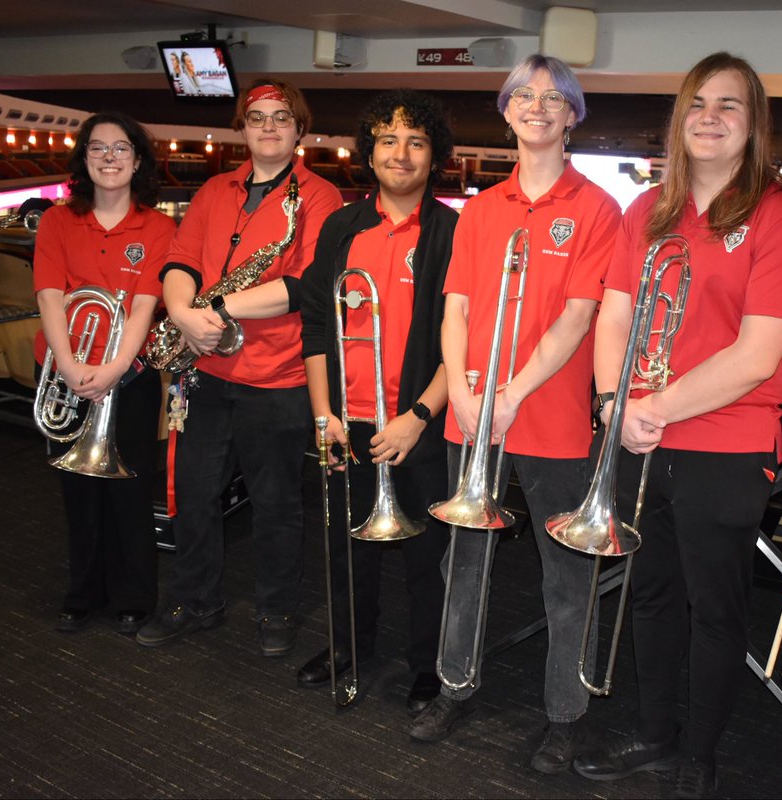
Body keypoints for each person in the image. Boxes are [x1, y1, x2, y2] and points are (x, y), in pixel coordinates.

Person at [573, 52, 782, 799]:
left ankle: (699, 753)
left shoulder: (780, 217)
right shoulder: (646, 209)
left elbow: (757, 354)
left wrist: (651, 408)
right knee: (648, 594)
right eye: (696, 102)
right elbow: (614, 314)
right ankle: (653, 735)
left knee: (713, 608)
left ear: (753, 127)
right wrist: (614, 403)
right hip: (639, 435)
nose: (708, 116)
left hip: (725, 445)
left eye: (729, 105)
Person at [408, 54, 622, 775]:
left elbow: (577, 317)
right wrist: (467, 398)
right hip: (471, 412)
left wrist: (510, 394)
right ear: (506, 111)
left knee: (566, 580)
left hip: (549, 415)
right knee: (461, 565)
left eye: (553, 97)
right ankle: (454, 685)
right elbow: (456, 310)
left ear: (572, 115)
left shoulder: (597, 209)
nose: (536, 106)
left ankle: (565, 714)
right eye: (522, 96)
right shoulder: (483, 209)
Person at [137, 78, 343, 656]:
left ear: (300, 130)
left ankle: (277, 608)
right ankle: (194, 599)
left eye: (282, 117)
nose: (269, 127)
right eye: (258, 117)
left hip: (276, 379)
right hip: (203, 372)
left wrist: (215, 308)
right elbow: (179, 259)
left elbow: (303, 286)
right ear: (243, 128)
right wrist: (182, 311)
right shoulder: (213, 189)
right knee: (193, 495)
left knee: (277, 503)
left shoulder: (320, 197)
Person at [296, 89, 457, 715]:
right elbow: (315, 324)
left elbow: (461, 340)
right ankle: (349, 648)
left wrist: (419, 417)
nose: (401, 153)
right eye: (388, 140)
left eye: (416, 142)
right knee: (347, 547)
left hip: (418, 427)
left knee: (426, 556)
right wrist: (323, 414)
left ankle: (427, 665)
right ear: (370, 152)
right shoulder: (342, 226)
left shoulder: (451, 232)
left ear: (433, 155)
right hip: (348, 423)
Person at [32, 111, 175, 635]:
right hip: (64, 368)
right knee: (77, 489)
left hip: (127, 373)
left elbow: (142, 308)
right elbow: (49, 296)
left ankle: (134, 595)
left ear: (138, 161)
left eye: (121, 149)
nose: (109, 158)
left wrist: (113, 368)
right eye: (98, 148)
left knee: (130, 488)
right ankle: (83, 592)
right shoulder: (56, 221)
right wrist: (68, 364)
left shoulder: (158, 227)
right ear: (83, 158)